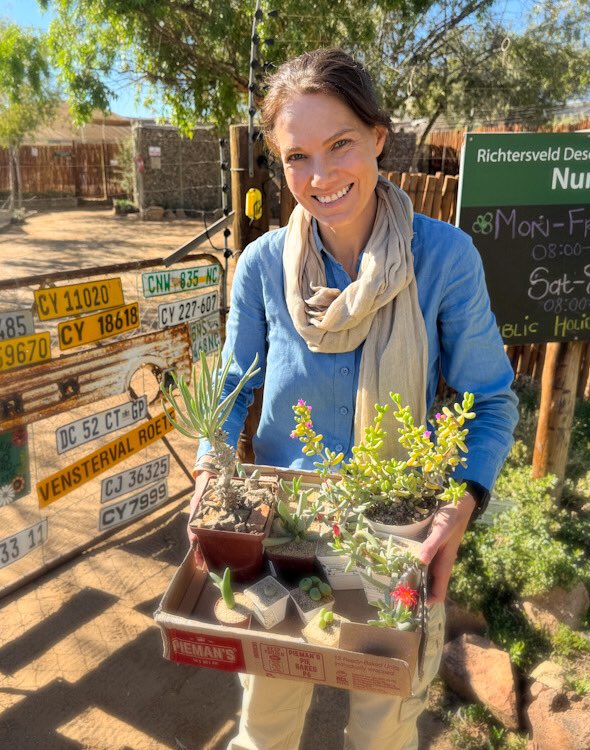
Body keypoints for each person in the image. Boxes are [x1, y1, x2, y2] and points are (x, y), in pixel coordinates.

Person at [190, 48, 518, 750]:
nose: (320, 175)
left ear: (378, 137)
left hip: (399, 541)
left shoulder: (445, 260)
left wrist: (461, 504)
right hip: (283, 539)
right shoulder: (259, 267)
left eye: (340, 144)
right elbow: (231, 391)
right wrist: (210, 469)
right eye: (296, 156)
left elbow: (491, 401)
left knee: (382, 732)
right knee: (267, 725)